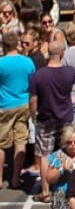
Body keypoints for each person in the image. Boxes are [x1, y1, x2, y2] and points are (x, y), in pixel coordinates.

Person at [30, 38, 75, 204]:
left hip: (45, 119)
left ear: (48, 54)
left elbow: (33, 101)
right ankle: (69, 186)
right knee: (67, 151)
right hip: (65, 117)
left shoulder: (38, 75)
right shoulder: (70, 72)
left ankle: (45, 192)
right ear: (62, 53)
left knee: (44, 155)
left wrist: (33, 115)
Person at [0, 28, 35, 190]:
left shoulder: (1, 63)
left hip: (5, 105)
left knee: (1, 145)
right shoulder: (27, 62)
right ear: (18, 44)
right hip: (23, 104)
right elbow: (32, 82)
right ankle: (15, 178)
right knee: (20, 142)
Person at [45, 124, 75, 209]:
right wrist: (62, 168)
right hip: (62, 197)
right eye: (69, 142)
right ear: (64, 141)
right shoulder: (58, 155)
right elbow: (49, 179)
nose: (72, 144)